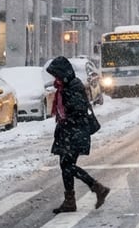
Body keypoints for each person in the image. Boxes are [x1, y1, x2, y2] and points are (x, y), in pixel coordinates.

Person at [46, 56, 110, 213]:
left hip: (75, 132)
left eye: (56, 74)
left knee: (67, 165)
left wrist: (67, 124)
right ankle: (71, 200)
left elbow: (78, 112)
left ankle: (96, 188)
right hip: (68, 132)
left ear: (63, 73)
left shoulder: (72, 87)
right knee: (66, 165)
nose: (55, 78)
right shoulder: (65, 87)